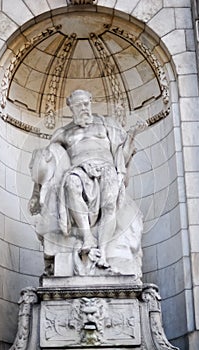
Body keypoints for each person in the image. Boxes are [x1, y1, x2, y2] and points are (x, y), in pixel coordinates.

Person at [29, 89, 146, 269]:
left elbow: (121, 155)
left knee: (109, 204)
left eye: (87, 103)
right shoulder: (62, 133)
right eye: (80, 105)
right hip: (79, 170)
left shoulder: (106, 124)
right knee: (70, 184)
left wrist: (132, 135)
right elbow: (45, 163)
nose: (85, 108)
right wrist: (37, 194)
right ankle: (87, 237)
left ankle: (104, 253)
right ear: (71, 107)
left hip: (106, 168)